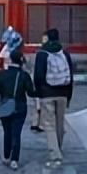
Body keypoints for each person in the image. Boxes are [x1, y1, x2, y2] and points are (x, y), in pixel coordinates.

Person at [32, 28, 73, 166]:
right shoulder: (65, 54)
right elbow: (71, 76)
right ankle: (58, 147)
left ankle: (55, 154)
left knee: (49, 125)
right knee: (60, 123)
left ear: (47, 38)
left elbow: (38, 76)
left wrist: (38, 94)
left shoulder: (42, 54)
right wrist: (69, 96)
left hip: (47, 93)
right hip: (63, 93)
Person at [0, 51, 33, 169]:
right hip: (19, 107)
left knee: (7, 131)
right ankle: (14, 159)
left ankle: (6, 155)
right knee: (16, 133)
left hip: (5, 107)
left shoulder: (2, 74)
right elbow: (31, 92)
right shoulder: (24, 75)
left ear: (10, 60)